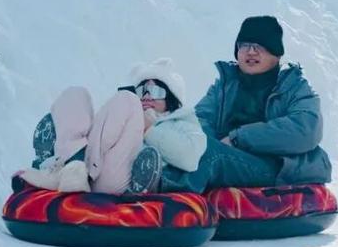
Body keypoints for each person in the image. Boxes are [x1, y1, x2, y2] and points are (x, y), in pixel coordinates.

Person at [130, 15, 332, 193]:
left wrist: (238, 138)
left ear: (276, 54)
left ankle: (161, 187)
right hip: (231, 159)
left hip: (274, 166)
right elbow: (199, 122)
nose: (250, 52)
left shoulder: (293, 86)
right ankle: (138, 175)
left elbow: (306, 129)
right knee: (196, 147)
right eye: (244, 45)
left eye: (259, 46)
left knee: (210, 154)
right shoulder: (226, 85)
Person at [20, 58, 206, 195]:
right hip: (86, 165)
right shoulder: (130, 109)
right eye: (142, 90)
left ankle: (74, 168)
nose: (147, 96)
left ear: (172, 97)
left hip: (115, 176)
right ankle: (68, 166)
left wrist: (150, 129)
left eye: (156, 91)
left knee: (127, 99)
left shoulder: (184, 121)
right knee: (76, 94)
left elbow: (190, 157)